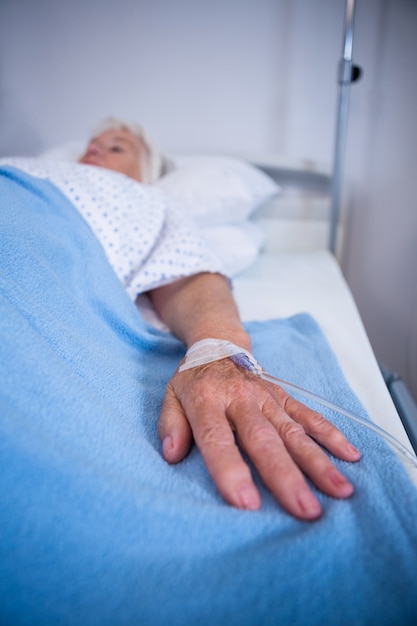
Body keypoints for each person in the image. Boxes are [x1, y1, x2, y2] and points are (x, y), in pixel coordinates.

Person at [3, 118, 362, 521]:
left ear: (147, 173)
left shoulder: (142, 200)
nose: (95, 150)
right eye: (92, 143)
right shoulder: (19, 166)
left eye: (117, 147)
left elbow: (190, 279)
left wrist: (216, 350)